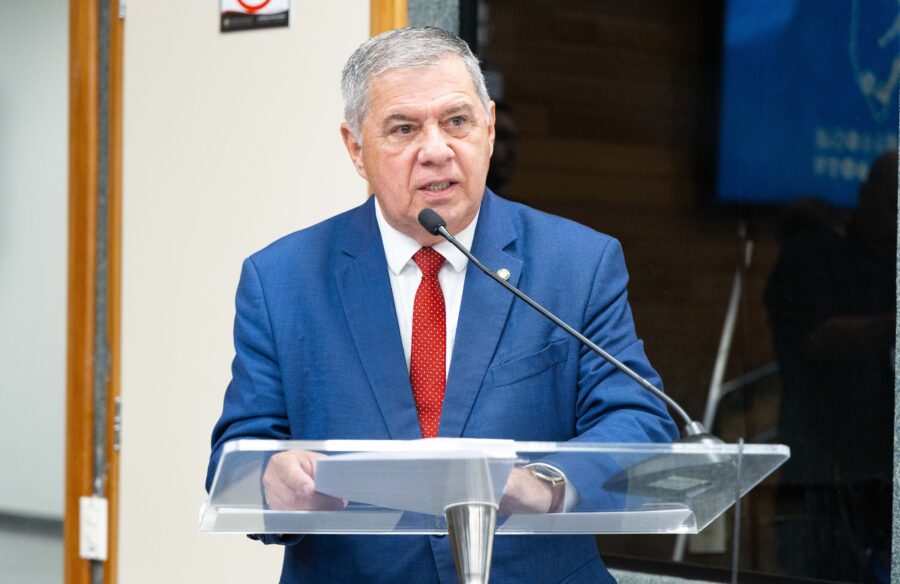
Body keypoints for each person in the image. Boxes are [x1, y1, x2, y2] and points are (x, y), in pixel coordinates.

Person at [207, 27, 677, 583]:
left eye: (456, 121)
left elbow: (640, 421)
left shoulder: (578, 263)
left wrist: (548, 481)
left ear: (490, 127)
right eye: (404, 129)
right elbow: (237, 454)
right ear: (355, 148)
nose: (435, 150)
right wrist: (271, 478)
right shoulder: (281, 279)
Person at [766, 150, 897, 582]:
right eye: (891, 193)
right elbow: (816, 340)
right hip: (822, 483)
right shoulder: (814, 256)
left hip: (885, 481)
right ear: (864, 194)